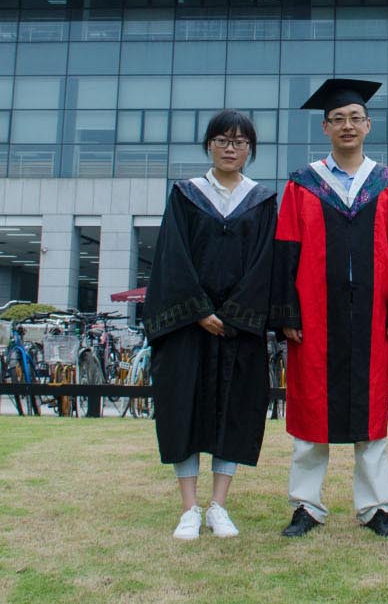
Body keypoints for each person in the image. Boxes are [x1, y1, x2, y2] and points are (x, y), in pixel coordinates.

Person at [271, 78, 388, 539]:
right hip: (314, 316)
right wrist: (287, 313)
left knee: (372, 413)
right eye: (338, 119)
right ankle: (306, 505)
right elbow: (286, 249)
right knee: (311, 410)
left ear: (368, 125)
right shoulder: (302, 184)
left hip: (372, 316)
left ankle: (374, 507)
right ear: (325, 128)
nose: (347, 126)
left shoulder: (387, 183)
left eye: (355, 118)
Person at [144, 110, 276, 541]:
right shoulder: (185, 195)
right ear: (208, 146)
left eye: (239, 142)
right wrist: (199, 311)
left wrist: (234, 315)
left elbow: (265, 264)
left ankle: (219, 504)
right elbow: (172, 256)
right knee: (183, 409)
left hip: (237, 330)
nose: (230, 148)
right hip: (189, 327)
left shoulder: (261, 200)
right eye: (222, 140)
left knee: (232, 412)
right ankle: (189, 508)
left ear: (250, 150)